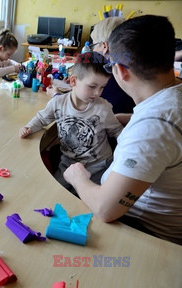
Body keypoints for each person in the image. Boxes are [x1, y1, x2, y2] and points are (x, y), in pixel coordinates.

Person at [63, 15, 182, 245]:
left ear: (121, 71)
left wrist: (77, 178)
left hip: (147, 234)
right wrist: (126, 119)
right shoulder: (172, 93)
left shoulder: (154, 126)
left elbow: (105, 209)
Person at [19, 51, 123, 194]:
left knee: (86, 198)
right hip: (69, 162)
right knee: (53, 192)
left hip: (98, 165)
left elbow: (118, 132)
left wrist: (125, 155)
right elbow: (42, 118)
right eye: (92, 86)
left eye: (102, 87)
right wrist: (28, 127)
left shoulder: (103, 108)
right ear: (73, 81)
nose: (98, 93)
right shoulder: (58, 102)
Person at [90, 17, 135, 125]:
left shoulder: (108, 76)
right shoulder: (136, 69)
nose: (93, 50)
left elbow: (80, 110)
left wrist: (56, 95)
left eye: (94, 45)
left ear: (104, 46)